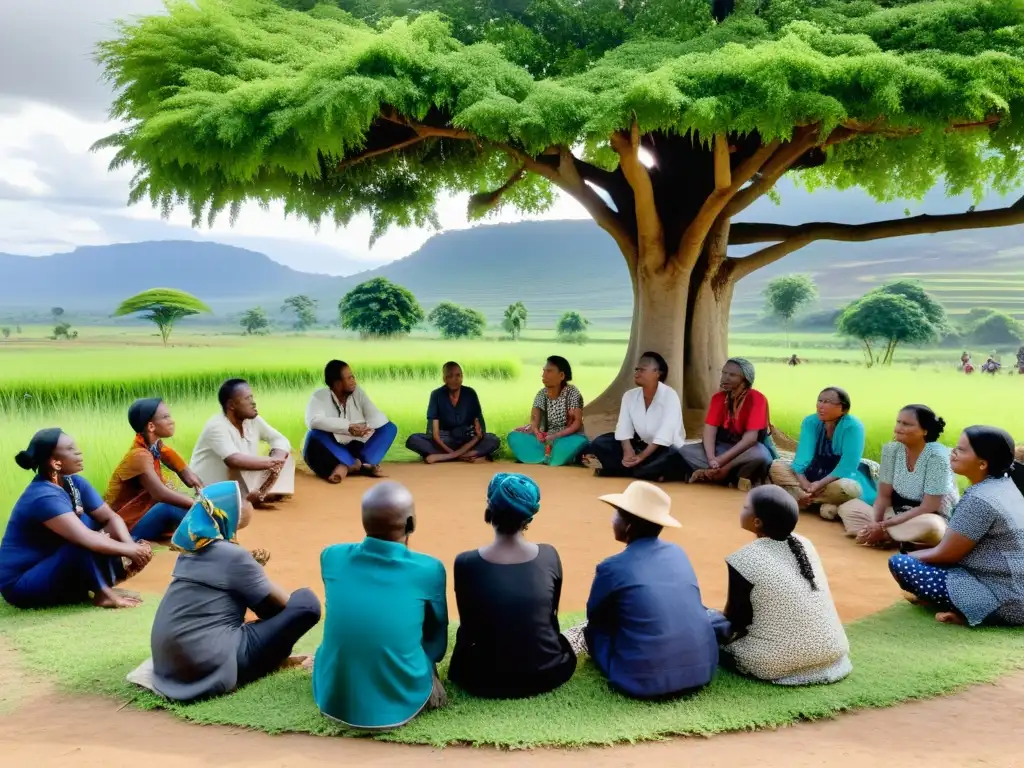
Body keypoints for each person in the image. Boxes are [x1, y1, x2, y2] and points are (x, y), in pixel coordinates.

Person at [149, 481, 321, 702]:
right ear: (226, 513)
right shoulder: (233, 556)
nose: (247, 506)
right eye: (242, 503)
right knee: (306, 603)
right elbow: (274, 609)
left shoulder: (190, 550)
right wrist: (255, 571)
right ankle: (266, 663)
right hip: (211, 664)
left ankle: (272, 659)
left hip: (172, 666)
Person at [563, 481, 718, 699]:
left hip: (642, 681)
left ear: (628, 526)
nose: (612, 519)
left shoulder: (612, 567)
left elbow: (595, 616)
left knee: (593, 631)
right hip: (702, 672)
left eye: (617, 514)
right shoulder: (678, 552)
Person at [313, 482, 448, 730]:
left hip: (333, 698)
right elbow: (436, 639)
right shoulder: (429, 569)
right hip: (402, 701)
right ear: (411, 524)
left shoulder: (331, 556)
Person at [448, 473, 576, 699]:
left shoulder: (465, 562)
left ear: (490, 509)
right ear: (528, 519)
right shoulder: (549, 555)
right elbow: (551, 615)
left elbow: (469, 622)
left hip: (479, 678)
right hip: (547, 672)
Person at [0, 429, 153, 610]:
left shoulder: (75, 483)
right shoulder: (42, 496)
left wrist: (129, 545)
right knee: (86, 539)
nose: (79, 452)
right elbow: (84, 538)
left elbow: (110, 517)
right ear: (55, 463)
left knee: (100, 526)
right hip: (22, 584)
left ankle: (101, 584)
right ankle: (103, 594)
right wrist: (129, 550)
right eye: (71, 449)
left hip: (52, 564)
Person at [715, 486, 851, 685]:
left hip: (775, 664)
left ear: (757, 522)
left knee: (708, 622)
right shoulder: (805, 544)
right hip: (833, 652)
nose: (741, 510)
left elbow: (736, 621)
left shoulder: (744, 559)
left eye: (745, 507)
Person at [889, 426, 1024, 626]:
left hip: (1005, 601)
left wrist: (909, 556)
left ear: (982, 464)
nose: (953, 452)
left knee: (902, 564)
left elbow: (946, 554)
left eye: (961, 450)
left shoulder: (979, 498)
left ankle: (974, 612)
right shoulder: (1004, 486)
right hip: (1014, 591)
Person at [838, 405, 959, 549]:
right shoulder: (891, 451)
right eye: (898, 422)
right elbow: (883, 496)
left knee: (932, 527)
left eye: (906, 424)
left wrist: (883, 526)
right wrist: (876, 523)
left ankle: (888, 536)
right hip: (895, 514)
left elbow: (929, 506)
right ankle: (891, 536)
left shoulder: (938, 458)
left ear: (924, 431)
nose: (898, 428)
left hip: (929, 516)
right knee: (849, 507)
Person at [104, 398, 204, 541]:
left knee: (188, 506)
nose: (172, 421)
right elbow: (160, 494)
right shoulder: (139, 455)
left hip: (142, 517)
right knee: (170, 507)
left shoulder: (156, 448)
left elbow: (188, 476)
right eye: (166, 417)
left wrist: (202, 493)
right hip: (126, 528)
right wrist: (199, 505)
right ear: (151, 426)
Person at [769, 387, 876, 519]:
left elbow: (847, 465)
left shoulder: (853, 427)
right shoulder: (810, 422)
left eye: (828, 402)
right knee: (776, 466)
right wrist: (804, 482)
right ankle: (818, 500)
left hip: (837, 478)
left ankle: (801, 499)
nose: (821, 406)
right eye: (820, 401)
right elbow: (802, 457)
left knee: (848, 488)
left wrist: (819, 484)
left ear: (843, 408)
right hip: (811, 474)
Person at [582, 351, 685, 480]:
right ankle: (642, 471)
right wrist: (627, 450)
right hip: (639, 445)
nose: (637, 373)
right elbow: (623, 426)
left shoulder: (670, 395)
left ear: (658, 373)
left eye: (643, 370)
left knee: (674, 455)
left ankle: (624, 470)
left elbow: (666, 433)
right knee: (600, 443)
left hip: (662, 448)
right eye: (637, 369)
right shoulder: (629, 396)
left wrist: (642, 456)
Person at [191, 379, 294, 504]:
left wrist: (277, 458)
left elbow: (279, 439)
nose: (254, 403)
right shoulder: (216, 426)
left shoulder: (252, 420)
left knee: (286, 457)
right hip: (211, 490)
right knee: (243, 464)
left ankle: (259, 494)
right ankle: (250, 496)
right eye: (247, 399)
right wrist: (271, 463)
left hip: (239, 482)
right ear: (231, 405)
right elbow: (234, 460)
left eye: (252, 398)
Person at [678, 358, 774, 486]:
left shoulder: (757, 399)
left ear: (745, 380)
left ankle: (723, 472)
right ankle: (727, 476)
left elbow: (750, 440)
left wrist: (721, 461)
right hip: (721, 449)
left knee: (761, 455)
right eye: (724, 373)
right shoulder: (718, 398)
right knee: (683, 451)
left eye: (732, 375)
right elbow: (709, 432)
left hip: (745, 451)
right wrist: (712, 458)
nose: (725, 378)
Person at [303, 360, 398, 482]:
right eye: (349, 378)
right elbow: (314, 421)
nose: (354, 381)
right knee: (314, 434)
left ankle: (349, 466)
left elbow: (375, 416)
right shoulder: (319, 397)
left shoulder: (357, 392)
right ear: (337, 384)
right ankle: (356, 465)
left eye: (352, 376)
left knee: (389, 428)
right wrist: (348, 427)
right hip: (332, 450)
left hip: (356, 447)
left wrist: (365, 429)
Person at [405, 361, 500, 464]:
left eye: (458, 375)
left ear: (462, 377)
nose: (455, 379)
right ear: (444, 379)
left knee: (493, 439)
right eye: (450, 376)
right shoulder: (436, 395)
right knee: (413, 440)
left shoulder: (470, 393)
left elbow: (480, 429)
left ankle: (444, 457)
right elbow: (434, 434)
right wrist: (454, 453)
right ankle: (468, 456)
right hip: (445, 440)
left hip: (467, 439)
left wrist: (477, 437)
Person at [507, 356, 588, 466]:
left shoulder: (572, 393)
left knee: (576, 442)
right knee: (514, 436)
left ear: (561, 376)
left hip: (566, 437)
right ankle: (548, 456)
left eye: (549, 371)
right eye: (544, 371)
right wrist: (537, 433)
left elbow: (577, 423)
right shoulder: (541, 394)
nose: (544, 375)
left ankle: (546, 456)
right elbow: (534, 421)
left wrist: (556, 436)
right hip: (546, 438)